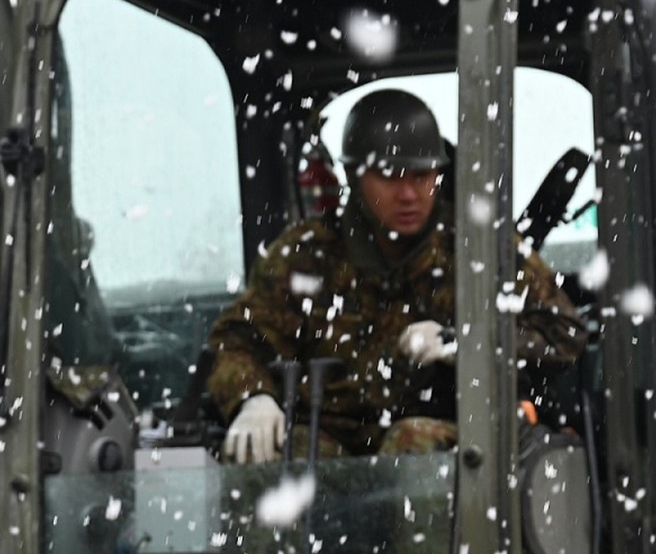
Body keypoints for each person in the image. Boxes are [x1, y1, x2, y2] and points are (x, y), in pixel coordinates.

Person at [206, 89, 584, 462]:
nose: (408, 194)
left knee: (412, 444)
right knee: (267, 450)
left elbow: (564, 335)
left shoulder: (479, 247)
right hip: (330, 437)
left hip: (450, 439)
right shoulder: (307, 254)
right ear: (355, 175)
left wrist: (462, 343)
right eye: (390, 176)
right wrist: (252, 397)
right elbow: (236, 341)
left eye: (421, 176)